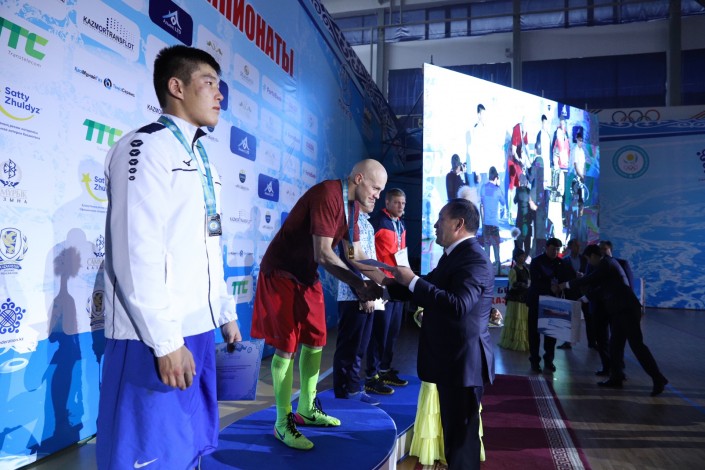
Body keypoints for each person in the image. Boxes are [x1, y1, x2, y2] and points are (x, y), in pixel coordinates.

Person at [97, 45, 242, 469]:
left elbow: (209, 244)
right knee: (148, 457)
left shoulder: (201, 156)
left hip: (198, 328)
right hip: (154, 336)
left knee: (188, 449)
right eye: (209, 83)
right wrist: (165, 341)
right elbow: (135, 251)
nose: (220, 94)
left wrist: (224, 312)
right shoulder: (144, 147)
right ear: (176, 87)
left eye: (220, 85)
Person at [251, 159, 387, 450]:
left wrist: (388, 281)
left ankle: (307, 408)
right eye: (376, 188)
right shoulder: (328, 194)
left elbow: (355, 254)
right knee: (287, 346)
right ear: (359, 179)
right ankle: (282, 421)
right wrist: (359, 284)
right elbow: (323, 254)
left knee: (316, 339)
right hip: (281, 271)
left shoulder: (353, 208)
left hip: (306, 274)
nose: (378, 195)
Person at [390, 198, 495, 470]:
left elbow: (458, 305)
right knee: (454, 438)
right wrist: (385, 286)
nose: (435, 225)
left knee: (461, 442)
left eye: (440, 219)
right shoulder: (455, 255)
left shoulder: (474, 258)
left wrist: (412, 280)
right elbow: (431, 285)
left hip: (464, 363)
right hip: (452, 361)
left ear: (458, 224)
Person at [560, 245, 668, 396]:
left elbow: (590, 279)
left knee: (637, 346)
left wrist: (566, 284)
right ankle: (616, 377)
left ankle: (658, 378)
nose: (589, 263)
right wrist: (583, 298)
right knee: (615, 346)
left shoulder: (607, 264)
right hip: (619, 311)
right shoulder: (608, 265)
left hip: (627, 310)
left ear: (594, 256)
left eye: (588, 259)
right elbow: (601, 289)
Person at [333, 210, 382, 406]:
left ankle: (353, 389)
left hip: (367, 294)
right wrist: (361, 292)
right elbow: (349, 259)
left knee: (360, 347)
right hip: (353, 296)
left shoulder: (366, 223)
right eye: (373, 193)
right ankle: (345, 392)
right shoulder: (349, 221)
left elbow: (367, 259)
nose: (376, 196)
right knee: (349, 348)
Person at [366, 189, 409, 394]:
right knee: (379, 332)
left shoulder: (401, 224)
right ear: (388, 202)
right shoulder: (377, 222)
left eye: (403, 203)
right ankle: (371, 376)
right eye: (397, 203)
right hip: (381, 283)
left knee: (392, 331)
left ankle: (384, 370)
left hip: (397, 283)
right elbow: (365, 251)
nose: (401, 206)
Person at [526, 237, 571, 373]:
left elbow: (565, 279)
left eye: (558, 249)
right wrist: (549, 287)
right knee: (534, 334)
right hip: (537, 301)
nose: (555, 252)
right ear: (546, 248)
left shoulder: (561, 263)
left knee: (551, 334)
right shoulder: (536, 261)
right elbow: (535, 282)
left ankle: (549, 360)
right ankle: (535, 361)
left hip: (553, 302)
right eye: (553, 249)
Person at [557, 238, 592, 349]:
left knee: (589, 318)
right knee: (571, 318)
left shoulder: (585, 259)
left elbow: (590, 275)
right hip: (571, 292)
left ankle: (592, 342)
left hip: (584, 292)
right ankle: (568, 342)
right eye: (575, 245)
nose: (578, 247)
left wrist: (583, 276)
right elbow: (562, 277)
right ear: (570, 247)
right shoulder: (564, 261)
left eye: (578, 245)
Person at [498, 249, 530, 352]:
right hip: (515, 299)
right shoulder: (513, 270)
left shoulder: (526, 269)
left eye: (524, 256)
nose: (523, 258)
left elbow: (529, 281)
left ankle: (522, 341)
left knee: (522, 320)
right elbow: (513, 284)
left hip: (524, 299)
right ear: (516, 258)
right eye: (521, 256)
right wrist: (523, 285)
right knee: (515, 319)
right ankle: (513, 341)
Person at [480, 166, 506, 276]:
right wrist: (499, 186)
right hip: (494, 224)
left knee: (486, 249)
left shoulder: (483, 188)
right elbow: (503, 202)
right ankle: (498, 272)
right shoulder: (497, 190)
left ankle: (486, 272)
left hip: (486, 223)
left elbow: (481, 205)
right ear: (496, 177)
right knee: (496, 249)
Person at [507, 117, 529, 222]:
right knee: (512, 185)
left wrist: (528, 160)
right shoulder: (517, 129)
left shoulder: (526, 131)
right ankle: (510, 212)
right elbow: (514, 151)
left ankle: (520, 211)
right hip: (512, 160)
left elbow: (526, 147)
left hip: (519, 160)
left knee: (521, 183)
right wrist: (520, 160)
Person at [513, 175, 536, 254]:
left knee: (519, 242)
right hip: (527, 220)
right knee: (527, 243)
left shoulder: (518, 190)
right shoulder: (529, 191)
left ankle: (518, 258)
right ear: (526, 182)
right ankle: (526, 257)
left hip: (519, 219)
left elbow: (514, 201)